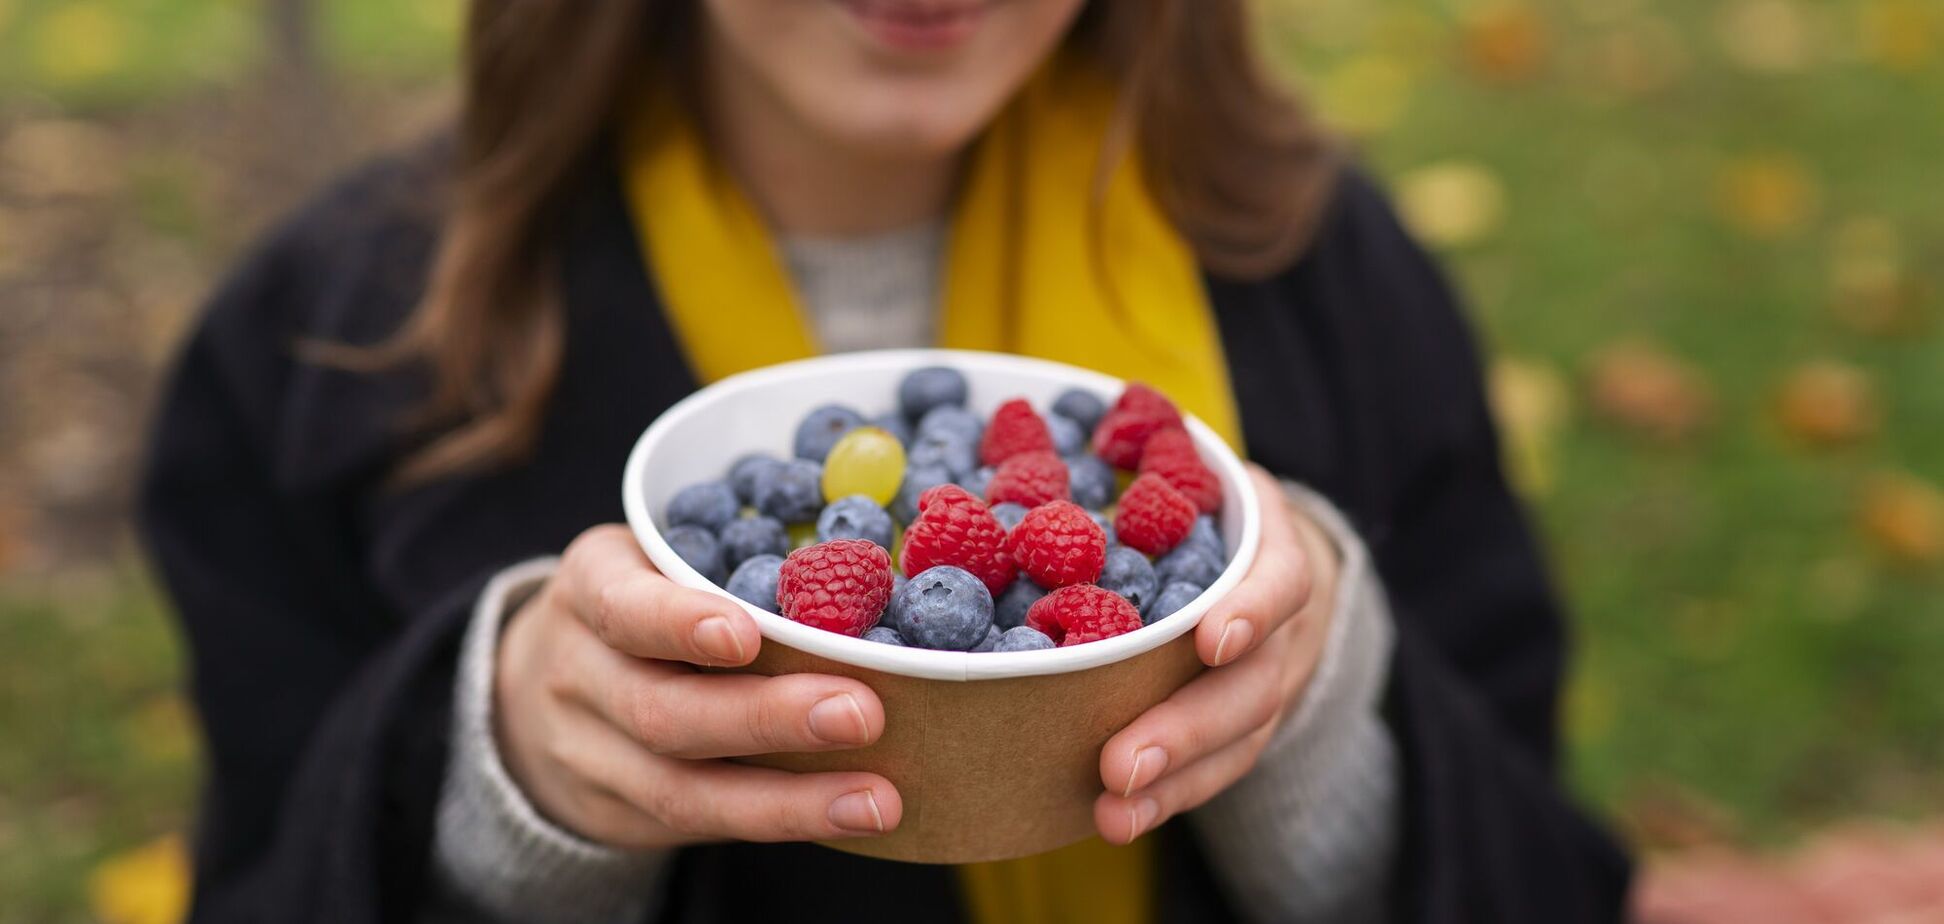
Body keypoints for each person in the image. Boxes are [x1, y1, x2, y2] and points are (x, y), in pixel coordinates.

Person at [138, 1, 1632, 922]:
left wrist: (1312, 715)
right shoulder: (325, 353)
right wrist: (504, 788)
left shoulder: (1333, 283)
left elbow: (1547, 878)